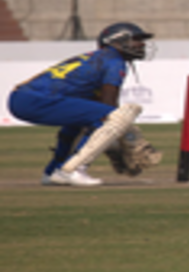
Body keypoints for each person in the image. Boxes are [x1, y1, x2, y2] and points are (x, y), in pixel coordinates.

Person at [6, 22, 154, 187]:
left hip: (21, 98)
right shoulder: (114, 61)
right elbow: (109, 107)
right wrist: (118, 139)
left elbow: (96, 107)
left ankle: (53, 171)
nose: (141, 44)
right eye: (136, 39)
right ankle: (72, 170)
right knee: (117, 116)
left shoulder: (98, 57)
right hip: (37, 99)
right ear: (116, 42)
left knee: (78, 123)